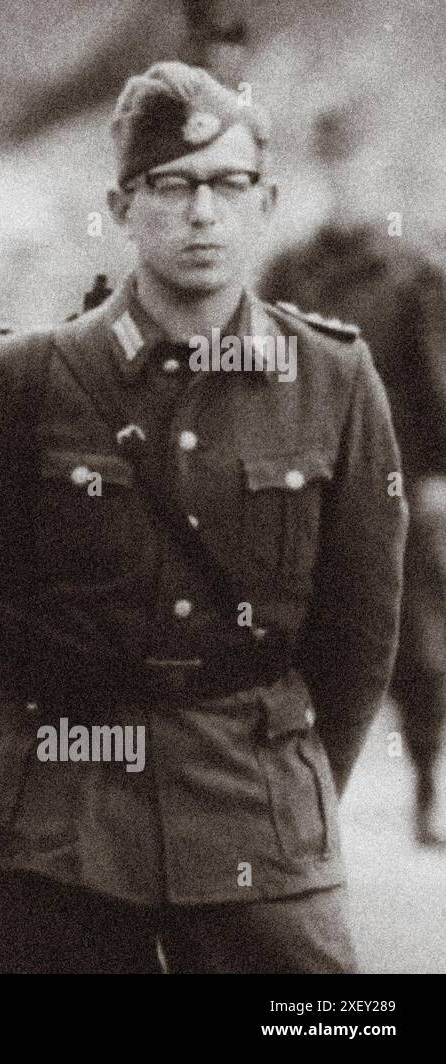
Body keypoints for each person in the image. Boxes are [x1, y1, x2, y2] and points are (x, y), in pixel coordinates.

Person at [0, 61, 406, 973]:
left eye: (228, 185)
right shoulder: (32, 377)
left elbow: (359, 632)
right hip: (62, 834)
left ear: (267, 201)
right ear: (121, 204)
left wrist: (289, 788)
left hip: (255, 815)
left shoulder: (335, 381)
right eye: (172, 186)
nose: (202, 214)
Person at [258, 107, 446, 846]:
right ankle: (302, 803)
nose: (343, 183)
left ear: (374, 174)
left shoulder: (413, 274)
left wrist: (439, 478)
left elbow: (439, 384)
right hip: (311, 486)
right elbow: (264, 378)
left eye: (355, 167)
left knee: (417, 646)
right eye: (331, 167)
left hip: (401, 487)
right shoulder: (290, 273)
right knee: (300, 643)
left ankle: (428, 784)